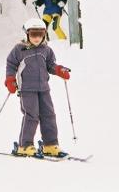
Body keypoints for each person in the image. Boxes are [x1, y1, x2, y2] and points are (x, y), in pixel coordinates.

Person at [4, 18, 71, 157]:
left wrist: (59, 70)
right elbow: (11, 64)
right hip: (27, 89)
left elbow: (51, 65)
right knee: (31, 115)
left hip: (44, 88)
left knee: (49, 114)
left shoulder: (46, 50)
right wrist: (10, 79)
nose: (37, 38)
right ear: (27, 34)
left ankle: (50, 144)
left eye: (40, 34)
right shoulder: (19, 49)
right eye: (33, 34)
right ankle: (25, 145)